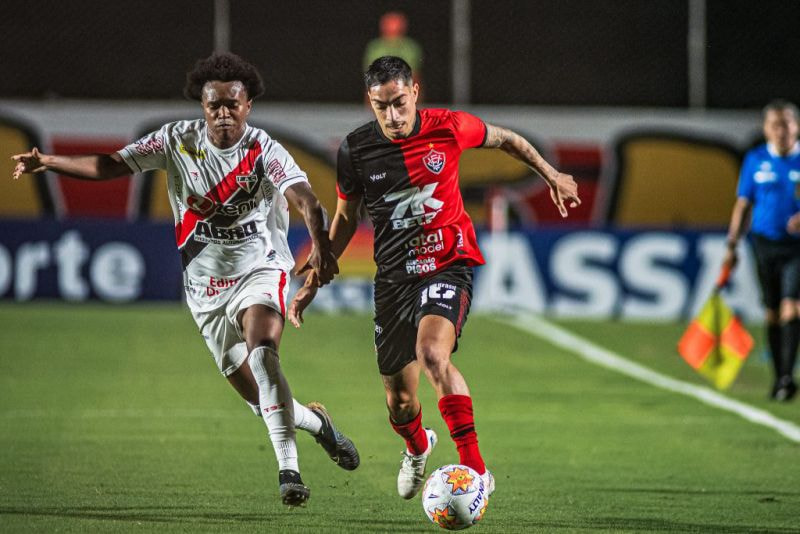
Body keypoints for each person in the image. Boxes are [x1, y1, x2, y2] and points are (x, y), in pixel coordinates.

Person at [11, 52, 359, 506]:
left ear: (248, 105)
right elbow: (110, 165)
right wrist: (48, 161)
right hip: (204, 289)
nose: (223, 113)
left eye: (232, 104)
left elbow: (308, 202)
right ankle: (319, 425)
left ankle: (288, 472)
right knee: (261, 402)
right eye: (213, 104)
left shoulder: (264, 151)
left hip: (260, 268)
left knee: (264, 354)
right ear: (202, 104)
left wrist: (322, 254)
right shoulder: (175, 141)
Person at [289, 56, 580, 500]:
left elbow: (508, 140)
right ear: (370, 101)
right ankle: (418, 445)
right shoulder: (355, 150)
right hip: (393, 280)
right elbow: (347, 216)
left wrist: (552, 173)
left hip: (449, 263)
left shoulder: (450, 126)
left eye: (400, 103)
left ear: (415, 93)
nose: (393, 115)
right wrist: (320, 264)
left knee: (432, 354)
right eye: (381, 106)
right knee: (400, 402)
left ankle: (475, 471)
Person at [723, 99, 800, 402]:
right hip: (763, 245)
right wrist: (732, 245)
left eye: (787, 124)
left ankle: (786, 376)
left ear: (796, 126)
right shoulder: (755, 160)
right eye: (775, 125)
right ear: (767, 129)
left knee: (791, 307)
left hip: (796, 248)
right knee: (771, 313)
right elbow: (743, 204)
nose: (782, 130)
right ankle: (779, 376)